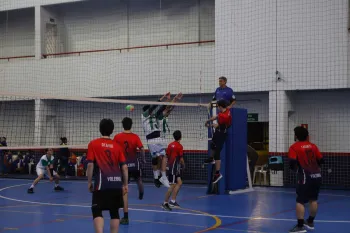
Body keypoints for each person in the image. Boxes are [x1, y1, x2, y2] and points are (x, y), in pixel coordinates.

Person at [86, 118, 128, 233]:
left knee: (97, 210)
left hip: (101, 184)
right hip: (116, 184)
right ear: (112, 130)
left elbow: (90, 165)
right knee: (114, 212)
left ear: (100, 129)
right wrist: (125, 184)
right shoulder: (118, 146)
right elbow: (124, 167)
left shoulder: (93, 144)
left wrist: (89, 182)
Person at [288, 126, 324, 233]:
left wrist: (297, 169)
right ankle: (310, 222)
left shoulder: (294, 147)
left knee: (300, 201)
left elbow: (292, 163)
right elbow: (321, 160)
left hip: (304, 176)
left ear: (296, 136)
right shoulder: (313, 146)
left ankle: (300, 226)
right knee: (313, 199)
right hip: (317, 175)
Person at [113, 117, 146, 225]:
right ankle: (141, 192)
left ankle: (125, 216)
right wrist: (143, 158)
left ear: (123, 125)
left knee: (124, 190)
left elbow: (113, 150)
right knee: (139, 179)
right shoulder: (135, 137)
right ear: (131, 125)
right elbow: (141, 148)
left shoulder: (117, 137)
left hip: (123, 165)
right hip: (134, 163)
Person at [141, 92, 171, 188]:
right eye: (150, 110)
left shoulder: (154, 116)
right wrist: (162, 98)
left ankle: (159, 177)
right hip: (152, 139)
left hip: (157, 138)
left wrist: (167, 99)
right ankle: (158, 177)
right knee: (158, 158)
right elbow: (154, 106)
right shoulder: (144, 115)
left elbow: (162, 108)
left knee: (161, 157)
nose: (152, 112)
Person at [203, 99, 232, 184]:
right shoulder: (226, 111)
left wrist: (211, 124)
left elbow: (218, 125)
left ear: (220, 106)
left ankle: (217, 173)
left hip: (221, 133)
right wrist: (208, 121)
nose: (218, 108)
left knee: (217, 152)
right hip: (219, 131)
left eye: (217, 106)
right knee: (212, 144)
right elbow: (216, 117)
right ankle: (211, 159)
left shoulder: (224, 116)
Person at [162, 130, 185, 211]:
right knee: (172, 186)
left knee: (179, 183)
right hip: (174, 169)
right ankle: (165, 203)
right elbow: (181, 158)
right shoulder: (180, 146)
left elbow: (166, 156)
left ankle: (172, 201)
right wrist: (183, 165)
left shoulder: (170, 145)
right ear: (180, 137)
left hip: (172, 168)